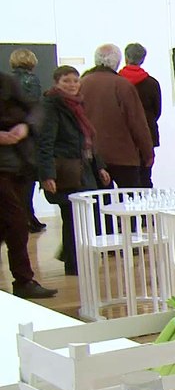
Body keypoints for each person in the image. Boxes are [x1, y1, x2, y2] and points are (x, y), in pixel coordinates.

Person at [37, 66, 111, 277]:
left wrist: (100, 166)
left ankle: (77, 259)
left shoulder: (78, 105)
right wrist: (47, 174)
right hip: (68, 170)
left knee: (85, 215)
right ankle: (74, 263)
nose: (72, 85)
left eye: (75, 81)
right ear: (56, 83)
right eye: (66, 81)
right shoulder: (51, 106)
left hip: (85, 168)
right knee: (72, 216)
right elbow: (45, 142)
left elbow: (88, 139)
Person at [0, 73, 55, 299]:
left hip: (19, 166)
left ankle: (23, 281)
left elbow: (35, 109)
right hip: (5, 168)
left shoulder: (6, 82)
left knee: (12, 224)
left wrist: (25, 126)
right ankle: (23, 280)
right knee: (16, 222)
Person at [79, 44, 153, 188]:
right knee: (130, 202)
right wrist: (147, 152)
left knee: (100, 202)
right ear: (118, 61)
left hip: (93, 155)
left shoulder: (82, 83)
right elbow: (137, 122)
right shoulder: (123, 85)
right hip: (123, 156)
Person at [9, 49, 45, 233]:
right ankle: (28, 218)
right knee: (27, 180)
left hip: (9, 135)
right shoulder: (32, 80)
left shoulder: (7, 81)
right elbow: (35, 107)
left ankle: (26, 217)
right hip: (28, 137)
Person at [120, 43, 162, 187]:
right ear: (143, 59)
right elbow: (157, 111)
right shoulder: (152, 83)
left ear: (125, 58)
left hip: (123, 135)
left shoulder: (118, 82)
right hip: (147, 134)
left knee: (125, 180)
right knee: (145, 177)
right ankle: (145, 209)